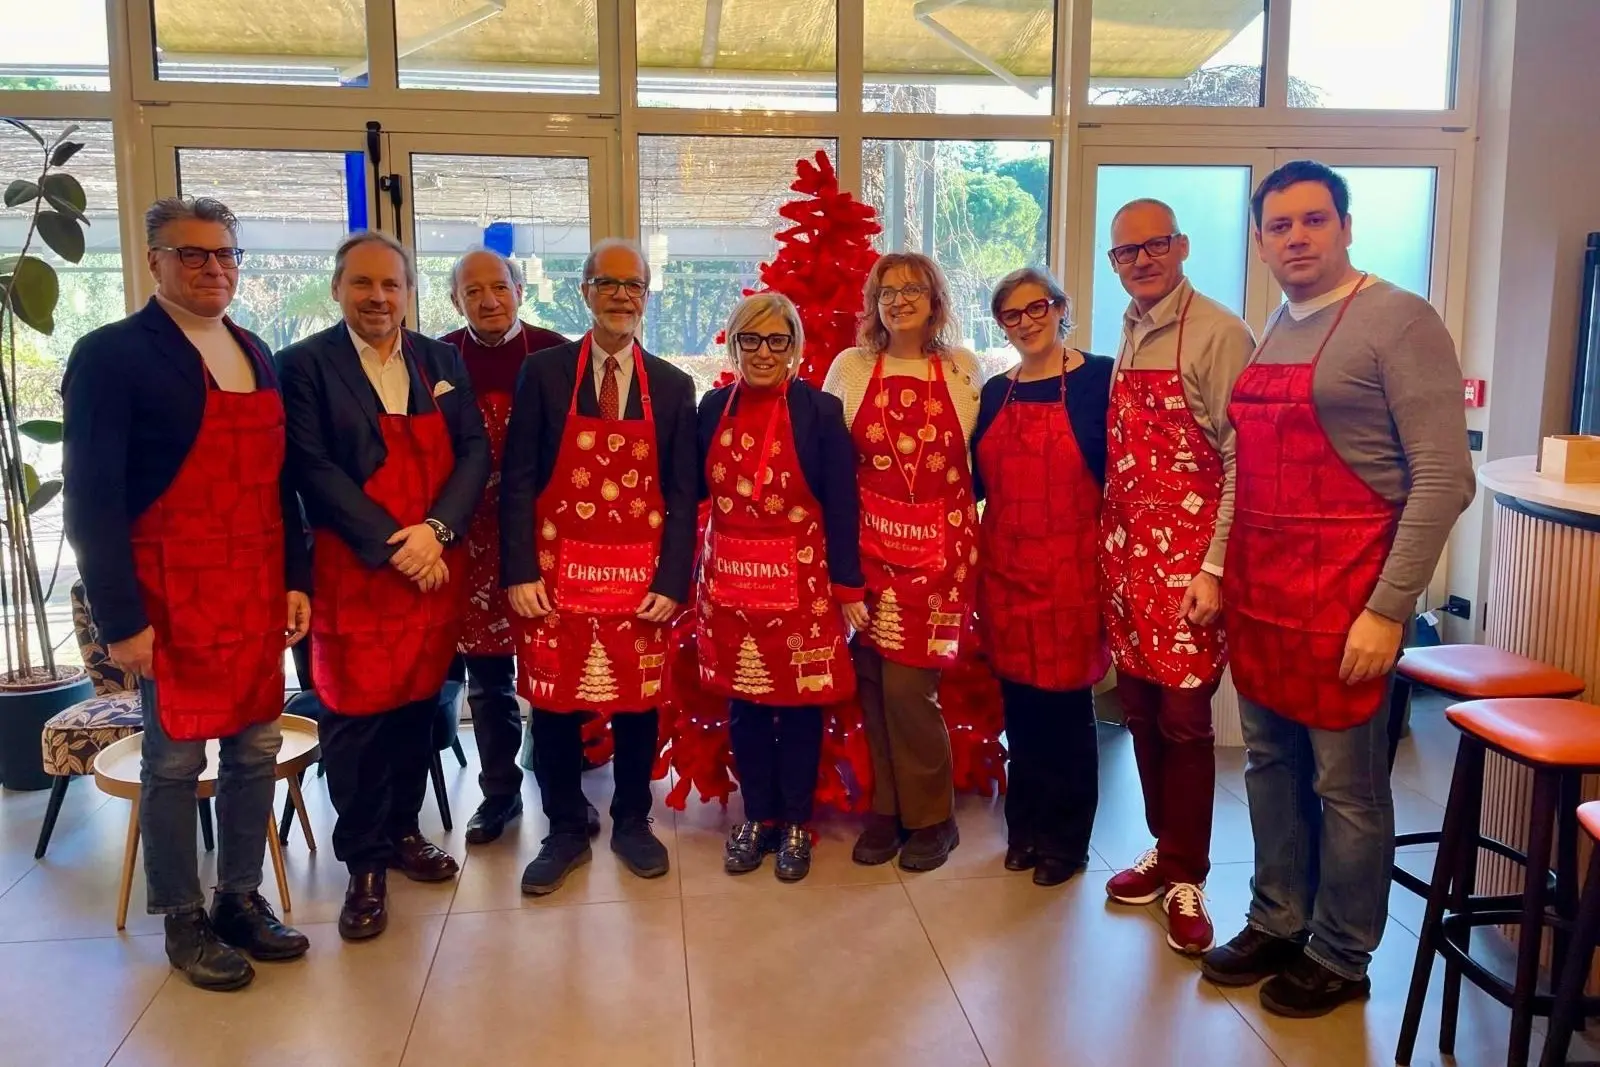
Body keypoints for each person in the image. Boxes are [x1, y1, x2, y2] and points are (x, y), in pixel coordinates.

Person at [1200, 161, 1474, 1017]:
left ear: (1346, 225)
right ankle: (1279, 914)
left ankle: (1342, 950)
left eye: (1313, 220)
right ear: (1260, 241)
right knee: (1272, 764)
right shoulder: (1274, 329)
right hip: (1264, 597)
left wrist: (1389, 609)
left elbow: (1443, 478)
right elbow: (1244, 466)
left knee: (1346, 788)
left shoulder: (1398, 320)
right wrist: (1216, 568)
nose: (1297, 238)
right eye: (1280, 226)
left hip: (1350, 601)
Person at [62, 196, 311, 990]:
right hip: (168, 598)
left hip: (251, 592)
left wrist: (295, 578)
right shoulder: (111, 354)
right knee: (172, 761)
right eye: (192, 254)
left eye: (225, 254)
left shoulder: (254, 349)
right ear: (153, 261)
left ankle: (240, 895)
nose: (213, 268)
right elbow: (91, 498)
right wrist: (121, 620)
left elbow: (281, 485)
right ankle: (182, 915)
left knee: (255, 748)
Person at [278, 231, 489, 942]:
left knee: (415, 711)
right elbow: (311, 467)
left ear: (409, 293)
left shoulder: (442, 359)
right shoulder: (302, 366)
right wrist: (397, 544)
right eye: (362, 283)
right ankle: (363, 862)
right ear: (338, 288)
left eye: (391, 285)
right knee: (356, 721)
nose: (377, 297)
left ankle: (403, 831)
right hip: (357, 573)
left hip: (434, 568)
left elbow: (473, 451)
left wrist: (438, 532)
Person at [500, 237, 697, 896]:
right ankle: (562, 827)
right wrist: (520, 569)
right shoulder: (546, 371)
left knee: (639, 704)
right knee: (555, 703)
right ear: (584, 291)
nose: (620, 294)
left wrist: (674, 581)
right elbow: (520, 476)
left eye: (633, 284)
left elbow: (681, 493)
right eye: (607, 282)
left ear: (646, 295)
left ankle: (634, 820)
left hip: (640, 579)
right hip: (556, 573)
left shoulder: (671, 385)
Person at [1099, 199, 1255, 953]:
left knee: (1187, 723)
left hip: (1191, 566)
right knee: (1138, 709)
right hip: (1128, 561)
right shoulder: (1130, 329)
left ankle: (1190, 873)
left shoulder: (1220, 332)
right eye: (1126, 253)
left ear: (1182, 244)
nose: (1142, 261)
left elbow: (1240, 459)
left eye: (1154, 245)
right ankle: (1164, 848)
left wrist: (1215, 566)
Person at [696, 293, 867, 883]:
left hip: (801, 589)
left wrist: (848, 585)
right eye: (751, 340)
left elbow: (843, 506)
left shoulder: (819, 412)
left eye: (777, 341)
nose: (763, 353)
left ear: (794, 348)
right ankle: (758, 816)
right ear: (733, 343)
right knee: (744, 708)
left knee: (799, 710)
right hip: (731, 587)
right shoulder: (712, 407)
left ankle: (796, 820)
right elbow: (684, 492)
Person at [823, 252, 983, 873]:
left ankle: (932, 817)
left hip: (939, 559)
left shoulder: (963, 369)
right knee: (873, 689)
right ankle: (886, 813)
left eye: (913, 288)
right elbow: (836, 469)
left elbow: (976, 463)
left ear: (935, 299)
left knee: (910, 691)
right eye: (887, 291)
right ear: (874, 304)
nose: (899, 299)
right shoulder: (852, 368)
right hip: (870, 555)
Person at [972, 268, 1114, 888]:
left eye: (1037, 308)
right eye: (1011, 314)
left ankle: (1068, 838)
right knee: (1020, 707)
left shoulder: (1099, 379)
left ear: (1061, 308)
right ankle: (1023, 829)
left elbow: (1124, 479)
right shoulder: (994, 392)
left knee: (1066, 711)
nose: (1026, 322)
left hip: (1072, 573)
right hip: (1005, 569)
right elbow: (972, 483)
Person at [437, 247, 581, 847]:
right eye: (473, 292)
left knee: (554, 675)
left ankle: (562, 797)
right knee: (488, 679)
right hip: (469, 540)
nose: (488, 301)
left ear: (521, 289)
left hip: (546, 539)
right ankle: (498, 797)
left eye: (499, 287)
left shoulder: (558, 352)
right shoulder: (437, 356)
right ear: (455, 301)